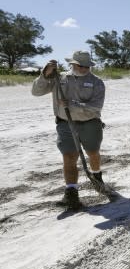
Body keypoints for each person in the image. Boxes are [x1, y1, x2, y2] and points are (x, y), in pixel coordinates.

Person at [31, 50, 106, 210]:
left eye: (87, 65)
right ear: (72, 64)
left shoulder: (97, 82)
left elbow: (96, 107)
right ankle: (71, 193)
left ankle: (97, 175)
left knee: (93, 153)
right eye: (81, 65)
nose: (85, 68)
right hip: (65, 124)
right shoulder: (59, 79)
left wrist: (72, 105)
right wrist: (44, 75)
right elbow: (36, 92)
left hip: (90, 123)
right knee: (69, 156)